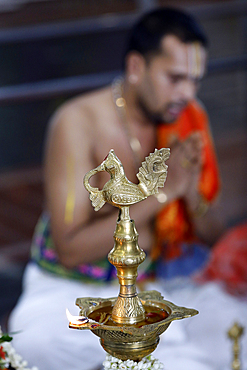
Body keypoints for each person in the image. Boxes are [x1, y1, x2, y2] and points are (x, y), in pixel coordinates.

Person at [9, 7, 246, 370]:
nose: (187, 92)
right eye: (175, 78)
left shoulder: (188, 118)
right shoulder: (78, 122)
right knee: (34, 341)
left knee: (237, 331)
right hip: (71, 291)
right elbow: (71, 249)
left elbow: (213, 238)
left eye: (195, 80)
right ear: (136, 67)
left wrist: (191, 190)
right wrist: (164, 192)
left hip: (155, 289)